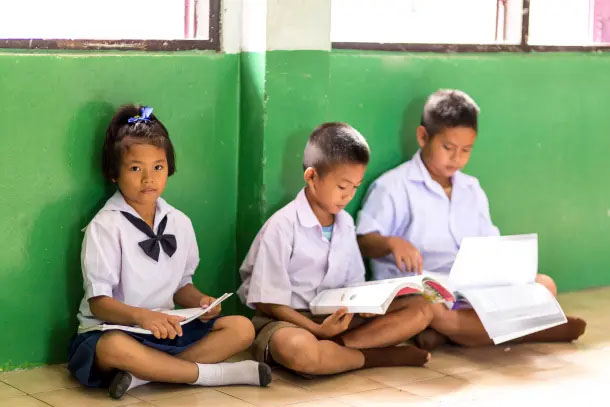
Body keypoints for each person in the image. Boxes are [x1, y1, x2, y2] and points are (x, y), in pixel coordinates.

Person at [68, 105, 271, 399]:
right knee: (113, 348)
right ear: (114, 173)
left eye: (158, 167)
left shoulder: (180, 222)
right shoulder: (105, 226)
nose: (148, 179)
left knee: (241, 328)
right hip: (119, 330)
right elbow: (99, 303)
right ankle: (214, 375)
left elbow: (181, 287)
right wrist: (142, 318)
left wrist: (201, 302)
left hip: (166, 329)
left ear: (169, 168)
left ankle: (141, 377)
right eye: (136, 168)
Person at [356, 90, 586, 349]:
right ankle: (520, 331)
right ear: (423, 137)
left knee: (544, 285)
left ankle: (450, 333)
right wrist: (391, 243)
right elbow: (364, 240)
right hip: (424, 286)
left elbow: (490, 244)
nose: (457, 158)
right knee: (430, 307)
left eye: (466, 150)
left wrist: (507, 269)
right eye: (448, 148)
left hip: (467, 287)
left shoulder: (471, 189)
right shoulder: (393, 186)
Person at [238, 122, 432, 376]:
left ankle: (336, 352)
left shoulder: (346, 224)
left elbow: (354, 282)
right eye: (342, 187)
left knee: (421, 308)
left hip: (339, 319)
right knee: (299, 350)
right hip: (288, 321)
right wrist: (316, 330)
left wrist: (366, 304)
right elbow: (268, 303)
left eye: (355, 187)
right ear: (312, 177)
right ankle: (375, 356)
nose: (348, 196)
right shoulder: (282, 225)